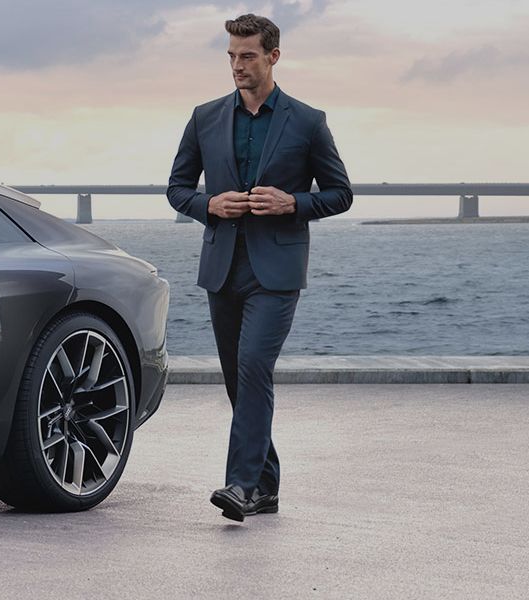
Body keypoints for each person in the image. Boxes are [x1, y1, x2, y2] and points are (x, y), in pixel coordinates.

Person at [165, 13, 353, 522]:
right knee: (237, 380)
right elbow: (177, 188)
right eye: (231, 55)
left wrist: (293, 202)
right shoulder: (204, 116)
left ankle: (241, 485)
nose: (236, 65)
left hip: (277, 272)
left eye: (247, 55)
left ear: (273, 56)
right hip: (222, 268)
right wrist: (209, 205)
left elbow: (340, 194)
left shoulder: (308, 120)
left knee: (252, 368)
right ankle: (266, 484)